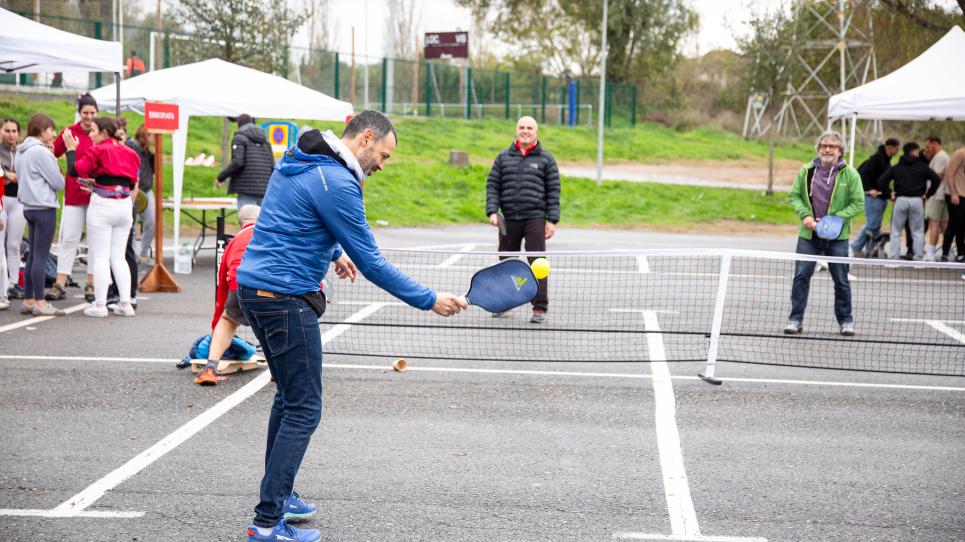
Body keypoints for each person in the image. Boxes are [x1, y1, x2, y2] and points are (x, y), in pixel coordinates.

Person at [235, 111, 467, 542]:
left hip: (253, 289)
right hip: (285, 299)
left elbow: (295, 212)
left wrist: (332, 249)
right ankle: (267, 523)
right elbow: (373, 263)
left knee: (289, 399)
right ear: (364, 139)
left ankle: (280, 498)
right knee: (305, 408)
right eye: (383, 154)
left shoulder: (301, 155)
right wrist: (429, 299)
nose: (384, 163)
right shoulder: (340, 183)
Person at [785, 130, 863, 336]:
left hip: (837, 237)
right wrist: (805, 216)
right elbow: (794, 196)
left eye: (832, 146)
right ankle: (795, 320)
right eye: (824, 146)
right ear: (818, 149)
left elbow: (858, 203)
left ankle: (846, 321)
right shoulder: (806, 171)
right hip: (808, 236)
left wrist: (834, 219)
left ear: (840, 151)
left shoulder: (851, 174)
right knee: (801, 277)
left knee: (841, 279)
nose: (828, 149)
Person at [485, 115, 560, 323]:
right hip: (508, 217)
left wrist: (552, 220)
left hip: (535, 217)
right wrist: (492, 211)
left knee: (538, 262)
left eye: (529, 128)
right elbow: (492, 186)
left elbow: (554, 190)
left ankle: (539, 307)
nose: (525, 131)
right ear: (516, 130)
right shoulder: (503, 158)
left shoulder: (546, 159)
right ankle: (506, 304)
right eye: (521, 127)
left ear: (536, 132)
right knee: (506, 262)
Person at [62, 117, 140, 318]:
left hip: (102, 205)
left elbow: (74, 171)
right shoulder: (131, 153)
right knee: (119, 256)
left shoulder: (98, 150)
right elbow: (130, 184)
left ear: (105, 132)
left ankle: (99, 305)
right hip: (124, 205)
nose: (90, 134)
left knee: (101, 256)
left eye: (94, 131)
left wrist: (71, 149)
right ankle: (125, 302)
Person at [195, 204, 261, 386]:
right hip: (268, 283)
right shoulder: (270, 232)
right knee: (274, 325)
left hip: (237, 283)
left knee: (228, 321)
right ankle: (278, 373)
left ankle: (210, 368)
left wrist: (217, 321)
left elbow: (222, 284)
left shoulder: (233, 242)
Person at [15, 114, 65, 316]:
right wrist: (53, 159)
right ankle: (39, 301)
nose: (53, 134)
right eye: (51, 129)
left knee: (33, 255)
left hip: (28, 206)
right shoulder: (41, 152)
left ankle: (28, 299)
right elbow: (59, 183)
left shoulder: (21, 151)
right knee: (41, 256)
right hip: (44, 207)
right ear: (41, 129)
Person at [51, 93, 97, 302]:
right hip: (73, 194)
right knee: (69, 238)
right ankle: (60, 282)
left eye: (92, 113)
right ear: (79, 113)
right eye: (85, 113)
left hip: (97, 195)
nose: (88, 117)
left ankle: (92, 282)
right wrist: (57, 173)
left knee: (96, 240)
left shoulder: (99, 134)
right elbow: (51, 153)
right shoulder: (69, 132)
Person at [878, 142, 941, 261]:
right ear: (913, 152)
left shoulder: (897, 166)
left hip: (900, 199)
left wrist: (889, 193)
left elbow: (882, 180)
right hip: (917, 200)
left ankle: (894, 258)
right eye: (917, 151)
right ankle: (918, 258)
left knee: (896, 230)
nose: (919, 153)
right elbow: (936, 179)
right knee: (917, 231)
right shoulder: (922, 167)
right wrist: (928, 194)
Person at [850, 138, 898, 257]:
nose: (898, 151)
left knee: (876, 227)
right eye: (896, 148)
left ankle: (870, 250)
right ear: (889, 148)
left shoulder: (886, 160)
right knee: (872, 225)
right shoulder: (877, 158)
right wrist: (869, 189)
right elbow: (864, 173)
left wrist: (888, 193)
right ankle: (856, 246)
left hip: (881, 197)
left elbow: (883, 180)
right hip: (872, 197)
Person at [215, 114, 274, 210]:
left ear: (238, 124)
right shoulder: (265, 140)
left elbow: (237, 162)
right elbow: (272, 165)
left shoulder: (239, 138)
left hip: (246, 190)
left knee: (247, 221)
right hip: (264, 189)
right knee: (261, 223)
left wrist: (220, 178)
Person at [1, 118, 25, 301]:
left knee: (14, 244)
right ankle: (3, 283)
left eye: (14, 131)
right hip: (2, 199)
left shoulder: (23, 151)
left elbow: (25, 174)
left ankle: (14, 282)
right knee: (0, 245)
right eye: (7, 131)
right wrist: (7, 175)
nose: (10, 135)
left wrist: (10, 176)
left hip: (19, 200)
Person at [126, 124, 156, 262]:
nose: (155, 138)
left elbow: (156, 170)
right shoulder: (132, 146)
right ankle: (130, 256)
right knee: (130, 224)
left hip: (147, 189)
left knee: (152, 221)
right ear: (146, 135)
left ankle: (143, 253)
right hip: (133, 188)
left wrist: (155, 154)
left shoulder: (148, 152)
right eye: (153, 135)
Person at [922, 136, 950, 261]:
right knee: (944, 224)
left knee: (934, 223)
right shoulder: (942, 156)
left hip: (936, 194)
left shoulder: (940, 157)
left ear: (935, 144)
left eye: (928, 146)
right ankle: (947, 251)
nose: (927, 149)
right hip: (942, 194)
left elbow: (937, 175)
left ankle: (931, 253)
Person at [943, 146, 965, 262]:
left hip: (964, 194)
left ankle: (961, 253)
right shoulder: (960, 153)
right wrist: (953, 193)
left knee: (962, 225)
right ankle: (945, 252)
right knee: (954, 224)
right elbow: (950, 173)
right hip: (956, 194)